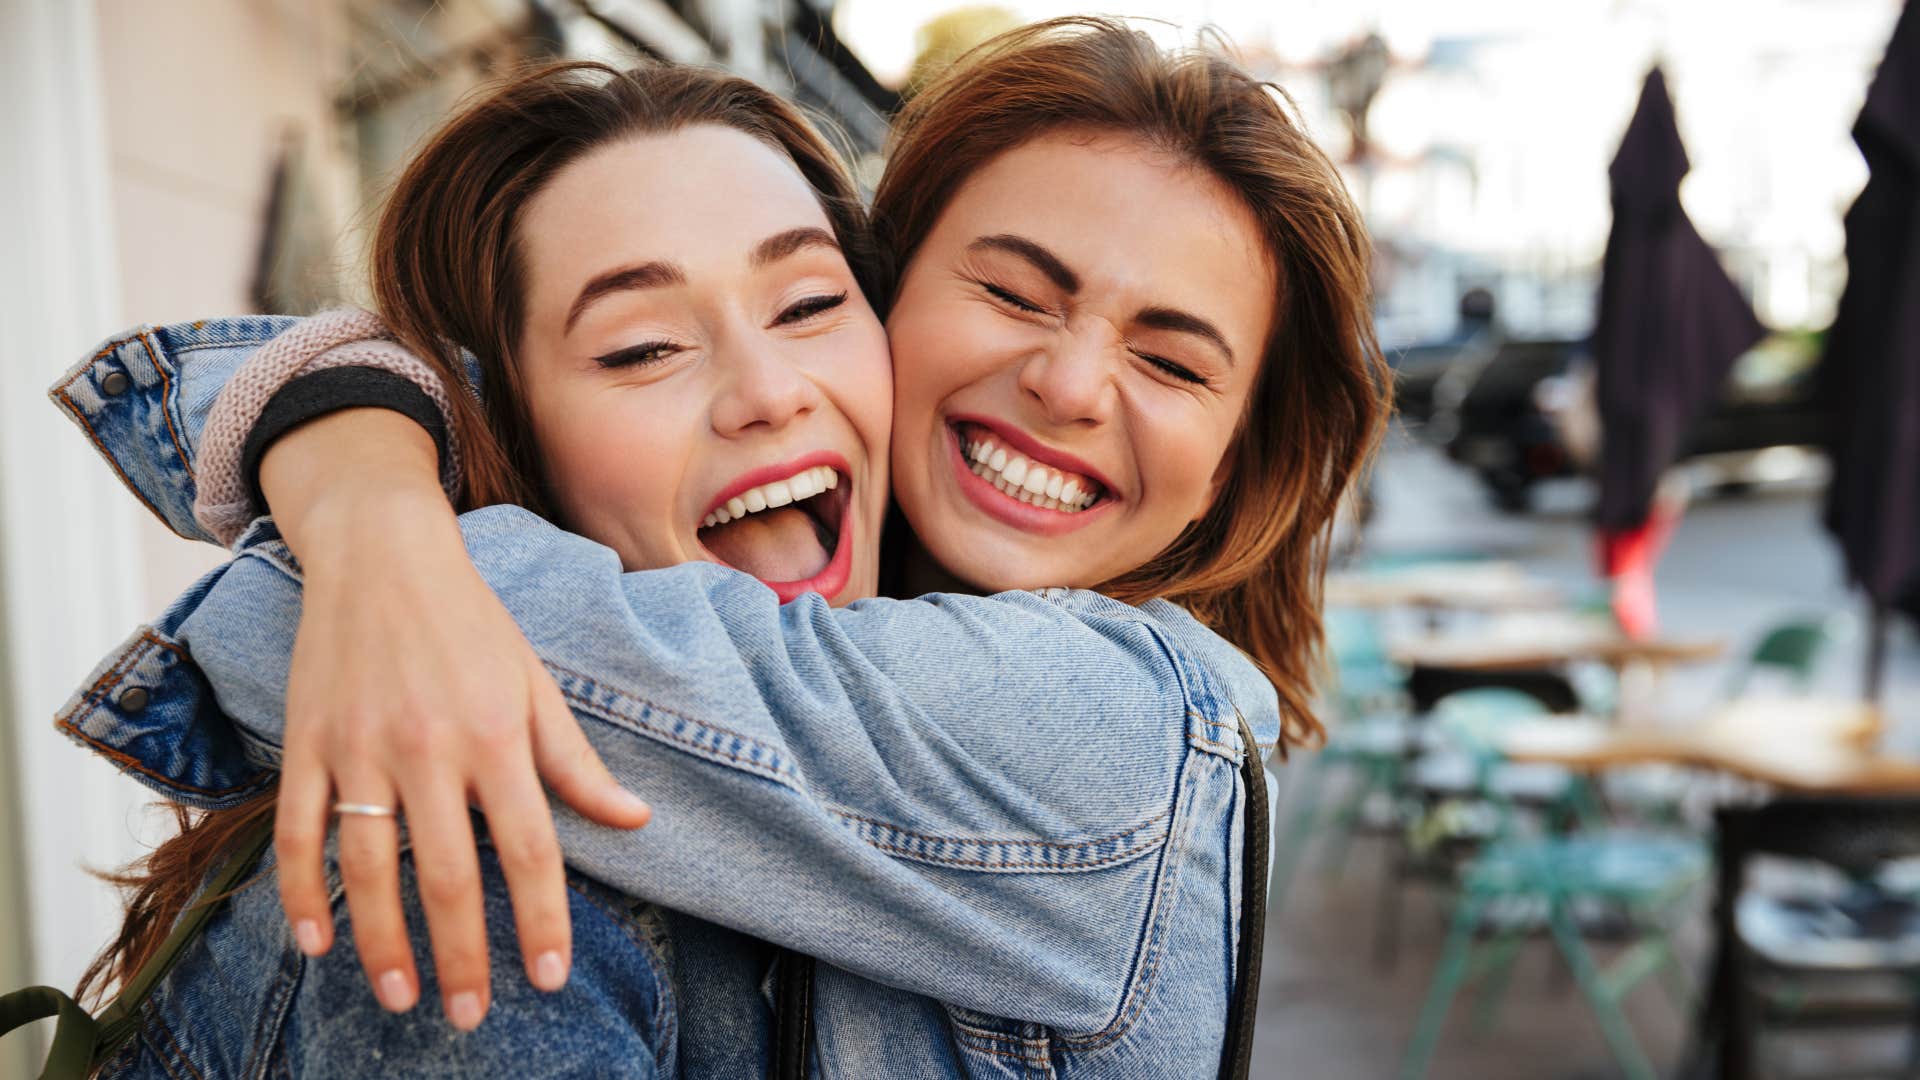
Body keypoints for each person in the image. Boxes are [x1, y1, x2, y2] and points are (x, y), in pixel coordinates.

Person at [57, 18, 1387, 1077]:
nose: (1075, 384)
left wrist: (369, 527)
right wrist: (369, 460)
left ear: (1237, 463)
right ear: (895, 301)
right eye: (1010, 290)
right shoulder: (453, 909)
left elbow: (286, 613)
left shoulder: (1124, 724)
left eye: (1172, 360)